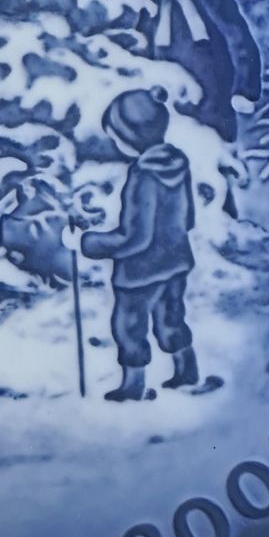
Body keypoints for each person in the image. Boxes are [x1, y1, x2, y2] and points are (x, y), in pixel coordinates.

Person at [68, 87, 198, 403]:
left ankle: (133, 385)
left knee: (130, 327)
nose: (115, 143)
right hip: (176, 262)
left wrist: (88, 242)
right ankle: (186, 369)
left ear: (131, 137)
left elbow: (135, 238)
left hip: (140, 273)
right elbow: (188, 218)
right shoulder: (177, 165)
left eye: (117, 136)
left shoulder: (143, 176)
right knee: (171, 317)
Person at [138, 0, 262, 146]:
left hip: (212, 91)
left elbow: (239, 41)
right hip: (167, 93)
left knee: (211, 143)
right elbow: (143, 41)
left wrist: (245, 89)